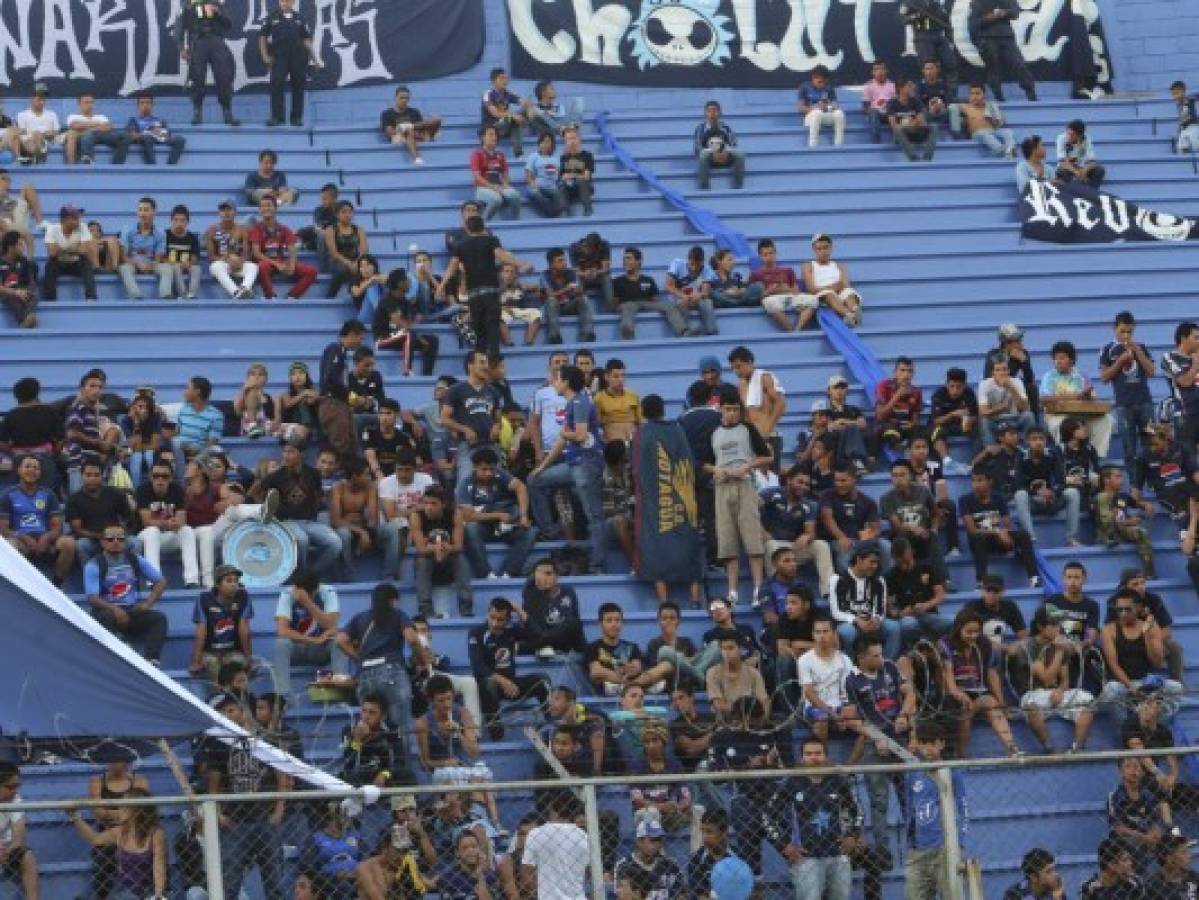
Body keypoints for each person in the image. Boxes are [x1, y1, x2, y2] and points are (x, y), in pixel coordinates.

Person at [529, 364, 606, 574]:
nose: (554, 381)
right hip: (573, 464)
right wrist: (542, 467)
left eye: (558, 378)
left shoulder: (580, 401)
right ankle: (551, 532)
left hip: (585, 465)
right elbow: (563, 441)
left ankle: (597, 565)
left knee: (594, 516)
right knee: (534, 480)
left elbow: (579, 436)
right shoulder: (573, 402)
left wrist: (566, 432)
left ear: (567, 382)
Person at [706, 387, 772, 604]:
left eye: (735, 409)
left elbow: (766, 456)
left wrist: (747, 466)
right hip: (723, 485)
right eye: (728, 409)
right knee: (728, 542)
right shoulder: (713, 431)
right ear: (721, 409)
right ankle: (732, 591)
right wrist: (715, 470)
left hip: (744, 484)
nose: (732, 414)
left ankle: (757, 589)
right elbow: (703, 462)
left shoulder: (747, 429)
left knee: (753, 540)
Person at [440, 217, 534, 358]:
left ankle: (480, 360)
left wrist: (441, 285)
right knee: (492, 329)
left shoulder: (460, 245)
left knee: (479, 332)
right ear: (483, 227)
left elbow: (452, 267)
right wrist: (521, 264)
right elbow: (502, 256)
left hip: (473, 295)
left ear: (467, 229)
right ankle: (494, 361)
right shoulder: (491, 240)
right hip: (490, 292)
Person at [784, 737, 863, 900]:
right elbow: (768, 815)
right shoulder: (792, 783)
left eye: (818, 753)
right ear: (802, 758)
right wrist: (783, 844)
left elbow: (858, 811)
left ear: (826, 756)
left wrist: (852, 835)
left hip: (838, 855)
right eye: (809, 754)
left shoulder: (838, 782)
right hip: (806, 857)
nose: (813, 757)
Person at [941, 607, 1022, 757]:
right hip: (958, 694)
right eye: (968, 632)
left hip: (978, 692)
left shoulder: (984, 644)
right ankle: (961, 756)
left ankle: (1012, 748)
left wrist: (1001, 701)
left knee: (992, 703)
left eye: (976, 631)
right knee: (965, 710)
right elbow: (949, 679)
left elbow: (991, 673)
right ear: (959, 629)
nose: (973, 636)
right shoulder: (946, 644)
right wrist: (959, 694)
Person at [84, 524, 168, 665]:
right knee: (101, 617)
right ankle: (121, 648)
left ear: (126, 542)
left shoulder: (135, 560)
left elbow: (160, 582)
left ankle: (152, 660)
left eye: (120, 539)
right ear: (102, 542)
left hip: (131, 610)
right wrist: (115, 609)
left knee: (159, 618)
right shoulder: (94, 565)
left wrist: (148, 604)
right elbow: (92, 598)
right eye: (110, 539)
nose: (116, 542)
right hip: (107, 611)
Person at [903, 723, 968, 899]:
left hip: (944, 849)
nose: (928, 748)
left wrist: (958, 843)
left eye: (933, 743)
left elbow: (963, 807)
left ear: (942, 744)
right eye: (924, 743)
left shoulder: (953, 771)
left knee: (952, 895)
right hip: (917, 851)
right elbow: (910, 809)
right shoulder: (912, 773)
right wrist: (910, 842)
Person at [1019, 607, 1096, 754]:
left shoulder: (1061, 646)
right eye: (1053, 624)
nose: (1058, 628)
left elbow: (1065, 680)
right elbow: (1046, 679)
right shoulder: (1028, 647)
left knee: (1088, 700)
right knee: (1029, 706)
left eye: (1059, 624)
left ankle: (1077, 747)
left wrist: (1061, 690)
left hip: (1057, 694)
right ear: (1041, 626)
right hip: (1035, 693)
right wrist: (1060, 651)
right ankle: (1049, 747)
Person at [67, 788, 167, 900]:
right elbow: (95, 839)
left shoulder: (156, 833)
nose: (120, 809)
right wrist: (75, 817)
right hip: (123, 890)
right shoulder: (120, 832)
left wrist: (158, 894)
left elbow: (159, 865)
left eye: (124, 806)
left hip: (148, 890)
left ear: (137, 810)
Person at [1099, 587, 1183, 713]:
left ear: (1138, 608)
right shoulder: (1109, 630)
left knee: (1176, 688)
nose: (1123, 613)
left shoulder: (1151, 627)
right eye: (1119, 609)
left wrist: (1147, 636)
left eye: (1128, 609)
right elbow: (1113, 665)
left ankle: (1156, 724)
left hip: (1146, 682)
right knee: (1111, 689)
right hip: (1122, 683)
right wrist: (1131, 687)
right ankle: (1126, 725)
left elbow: (1157, 662)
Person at [458, 446, 536, 579]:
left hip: (506, 526)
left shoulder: (500, 475)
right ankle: (486, 574)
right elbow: (468, 516)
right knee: (470, 529)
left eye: (491, 469)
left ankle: (508, 573)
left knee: (530, 532)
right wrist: (497, 515)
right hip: (484, 527)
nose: (489, 473)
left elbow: (521, 488)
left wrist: (523, 516)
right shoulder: (466, 484)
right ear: (474, 468)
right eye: (484, 469)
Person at [958, 466, 1040, 588]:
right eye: (973, 481)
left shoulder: (998, 498)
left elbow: (1007, 524)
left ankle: (1034, 578)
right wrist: (997, 532)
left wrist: (1005, 534)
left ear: (989, 482)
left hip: (999, 540)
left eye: (980, 480)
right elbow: (972, 530)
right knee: (979, 538)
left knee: (1023, 535)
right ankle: (981, 581)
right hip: (980, 543)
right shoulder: (965, 500)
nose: (976, 484)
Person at [0, 455, 74, 586]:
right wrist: (22, 537)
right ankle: (21, 585)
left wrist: (45, 538)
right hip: (21, 541)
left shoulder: (49, 494)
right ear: (19, 470)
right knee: (11, 545)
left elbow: (57, 528)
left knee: (68, 543)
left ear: (40, 473)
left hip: (46, 541)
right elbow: (3, 529)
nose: (32, 470)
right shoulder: (8, 494)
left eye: (36, 468)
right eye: (27, 466)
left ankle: (56, 585)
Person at [272, 571, 344, 699]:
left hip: (319, 651)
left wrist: (308, 603)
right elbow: (282, 631)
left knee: (338, 641)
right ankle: (282, 697)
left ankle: (340, 688)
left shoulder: (327, 592)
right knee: (281, 643)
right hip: (297, 649)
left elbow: (332, 626)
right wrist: (314, 640)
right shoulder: (288, 593)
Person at [1100, 311, 1156, 470]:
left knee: (1151, 443)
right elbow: (1104, 377)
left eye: (1129, 332)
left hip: (1145, 402)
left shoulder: (1141, 347)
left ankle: (1153, 481)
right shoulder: (1108, 349)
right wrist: (1120, 362)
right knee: (1129, 448)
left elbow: (1151, 372)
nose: (1126, 335)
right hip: (1123, 405)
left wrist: (1138, 352)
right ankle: (1133, 483)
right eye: (1122, 331)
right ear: (1115, 329)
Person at [409, 484, 473, 618]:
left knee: (460, 559)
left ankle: (466, 609)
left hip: (449, 559)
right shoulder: (416, 516)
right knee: (422, 561)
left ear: (443, 504)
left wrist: (446, 548)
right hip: (428, 560)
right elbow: (420, 549)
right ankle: (426, 611)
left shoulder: (454, 513)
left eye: (433, 504)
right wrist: (434, 548)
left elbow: (458, 546)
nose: (428, 508)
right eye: (426, 503)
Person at [1013, 425, 1082, 547]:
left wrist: (1052, 493)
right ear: (1027, 441)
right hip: (1033, 501)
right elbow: (1019, 483)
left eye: (1041, 439)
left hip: (1052, 499)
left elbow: (1061, 480)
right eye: (1034, 439)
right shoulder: (1021, 457)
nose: (1038, 442)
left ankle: (1071, 538)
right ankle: (1030, 538)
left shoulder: (1053, 454)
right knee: (1019, 495)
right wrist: (1037, 493)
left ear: (1045, 440)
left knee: (1072, 493)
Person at [177, 0, 240, 125]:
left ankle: (227, 111)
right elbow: (179, 28)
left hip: (216, 41)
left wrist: (218, 13)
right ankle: (197, 112)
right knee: (197, 77)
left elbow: (228, 25)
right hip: (197, 43)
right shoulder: (188, 6)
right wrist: (181, 48)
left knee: (224, 76)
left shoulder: (216, 4)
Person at [819, 465, 890, 573]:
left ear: (854, 480)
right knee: (844, 562)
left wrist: (867, 536)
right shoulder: (827, 495)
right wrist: (841, 537)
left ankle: (885, 582)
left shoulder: (868, 502)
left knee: (885, 545)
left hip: (859, 541)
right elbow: (827, 518)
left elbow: (875, 529)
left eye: (843, 480)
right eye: (836, 480)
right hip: (836, 540)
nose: (839, 484)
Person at [259, 0, 317, 127]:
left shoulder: (300, 19)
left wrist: (315, 59)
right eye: (282, 1)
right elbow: (262, 37)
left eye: (287, 1)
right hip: (279, 56)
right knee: (277, 82)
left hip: (298, 56)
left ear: (293, 2)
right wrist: (265, 56)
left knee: (298, 85)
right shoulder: (272, 17)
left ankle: (296, 118)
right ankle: (277, 118)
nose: (284, 3)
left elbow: (306, 40)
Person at [249, 194, 318, 299]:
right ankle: (270, 296)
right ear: (259, 210)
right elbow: (257, 253)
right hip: (267, 263)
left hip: (282, 262)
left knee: (311, 271)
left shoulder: (283, 228)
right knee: (262, 266)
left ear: (275, 208)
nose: (266, 208)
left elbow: (292, 249)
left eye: (269, 205)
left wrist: (292, 264)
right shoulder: (256, 229)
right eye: (263, 206)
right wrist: (276, 264)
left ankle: (292, 296)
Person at [522, 795, 590, 900]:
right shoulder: (585, 837)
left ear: (552, 810)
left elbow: (527, 875)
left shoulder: (536, 834)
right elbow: (589, 872)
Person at [798, 616, 853, 741]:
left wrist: (846, 709)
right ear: (813, 635)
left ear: (833, 634)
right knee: (822, 718)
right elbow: (809, 693)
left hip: (840, 705)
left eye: (825, 631)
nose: (821, 636)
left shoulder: (844, 660)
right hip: (814, 707)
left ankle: (854, 760)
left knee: (858, 719)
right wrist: (832, 714)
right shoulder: (804, 660)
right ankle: (825, 757)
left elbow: (849, 690)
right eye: (818, 632)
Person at [969, 0, 1037, 101]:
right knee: (993, 67)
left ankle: (1030, 91)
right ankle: (998, 94)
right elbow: (974, 24)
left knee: (1018, 63)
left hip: (1006, 36)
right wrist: (989, 18)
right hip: (987, 38)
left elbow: (1015, 12)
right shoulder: (977, 2)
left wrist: (1005, 13)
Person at [1096, 466, 1157, 578]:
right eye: (1117, 477)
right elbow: (1106, 521)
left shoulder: (1122, 497)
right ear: (1106, 480)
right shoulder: (1101, 497)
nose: (1122, 480)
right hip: (1108, 533)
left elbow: (1136, 503)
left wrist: (1146, 505)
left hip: (1123, 530)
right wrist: (1129, 522)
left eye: (1122, 477)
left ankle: (1149, 573)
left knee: (1141, 532)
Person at [798, 234, 863, 327]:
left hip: (840, 294)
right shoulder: (808, 266)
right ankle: (849, 315)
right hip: (822, 296)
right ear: (814, 250)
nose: (823, 251)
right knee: (828, 294)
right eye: (819, 249)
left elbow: (845, 285)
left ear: (831, 248)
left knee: (849, 293)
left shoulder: (839, 266)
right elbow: (811, 288)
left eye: (826, 248)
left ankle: (855, 309)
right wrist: (833, 287)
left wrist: (837, 287)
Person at [614, 818, 686, 899]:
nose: (657, 844)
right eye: (652, 840)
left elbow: (682, 895)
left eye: (659, 839)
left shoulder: (671, 865)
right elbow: (624, 897)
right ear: (639, 841)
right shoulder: (624, 866)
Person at [205, 197, 258, 299]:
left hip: (239, 264)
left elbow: (246, 253)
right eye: (223, 210)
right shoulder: (212, 230)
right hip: (223, 264)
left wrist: (240, 261)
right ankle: (236, 292)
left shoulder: (242, 230)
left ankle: (244, 288)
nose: (226, 213)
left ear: (235, 212)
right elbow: (211, 257)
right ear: (219, 213)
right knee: (215, 266)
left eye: (229, 209)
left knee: (253, 267)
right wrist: (227, 260)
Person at [43, 203, 97, 301]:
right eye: (75, 218)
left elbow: (84, 250)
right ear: (64, 220)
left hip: (76, 263)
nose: (78, 221)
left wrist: (61, 248)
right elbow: (52, 253)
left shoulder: (83, 227)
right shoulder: (52, 229)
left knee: (86, 263)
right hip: (59, 263)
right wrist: (75, 248)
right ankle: (50, 300)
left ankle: (91, 297)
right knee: (50, 265)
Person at [380, 85, 442, 165]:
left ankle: (412, 129)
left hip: (417, 134)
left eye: (407, 98)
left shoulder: (414, 112)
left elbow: (422, 125)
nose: (404, 100)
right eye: (401, 98)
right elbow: (389, 132)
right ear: (395, 98)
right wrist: (402, 129)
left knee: (437, 119)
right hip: (401, 136)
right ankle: (417, 158)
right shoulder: (387, 113)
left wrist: (411, 126)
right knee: (409, 131)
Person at [471, 124, 522, 220]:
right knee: (496, 199)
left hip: (499, 186)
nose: (494, 137)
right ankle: (484, 222)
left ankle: (516, 221)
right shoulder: (476, 154)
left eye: (495, 135)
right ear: (483, 138)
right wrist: (492, 186)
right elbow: (477, 177)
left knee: (515, 195)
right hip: (482, 188)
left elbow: (505, 174)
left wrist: (505, 184)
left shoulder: (501, 155)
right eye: (491, 135)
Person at [953, 84, 1016, 157]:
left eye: (977, 93)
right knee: (983, 133)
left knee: (1008, 132)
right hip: (977, 133)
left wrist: (991, 119)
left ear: (984, 95)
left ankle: (1010, 151)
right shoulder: (965, 107)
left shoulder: (991, 106)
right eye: (972, 94)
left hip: (993, 130)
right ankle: (1000, 150)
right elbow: (951, 107)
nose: (974, 96)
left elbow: (1000, 124)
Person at [64, 92, 128, 165]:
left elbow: (108, 127)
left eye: (91, 102)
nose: (89, 105)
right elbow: (75, 126)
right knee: (87, 136)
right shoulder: (73, 116)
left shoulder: (101, 117)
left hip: (101, 136)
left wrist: (88, 127)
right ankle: (88, 164)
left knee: (124, 135)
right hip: (85, 137)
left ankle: (117, 165)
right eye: (86, 102)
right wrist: (97, 124)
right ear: (79, 104)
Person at [481, 66, 531, 157]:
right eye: (501, 78)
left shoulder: (507, 94)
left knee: (522, 116)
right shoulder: (487, 94)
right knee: (512, 119)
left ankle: (518, 153)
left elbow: (522, 101)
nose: (505, 81)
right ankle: (518, 153)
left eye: (506, 78)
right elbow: (495, 114)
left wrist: (527, 105)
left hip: (506, 127)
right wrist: (513, 115)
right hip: (492, 128)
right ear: (493, 81)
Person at [694, 99, 745, 189]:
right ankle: (705, 188)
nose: (712, 114)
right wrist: (713, 152)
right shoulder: (700, 129)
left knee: (740, 154)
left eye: (715, 110)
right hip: (709, 158)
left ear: (720, 113)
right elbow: (697, 149)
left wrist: (723, 151)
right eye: (709, 111)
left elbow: (733, 145)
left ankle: (738, 186)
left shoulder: (726, 128)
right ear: (705, 113)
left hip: (725, 155)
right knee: (703, 155)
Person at [323, 200, 368, 299]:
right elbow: (333, 252)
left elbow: (364, 250)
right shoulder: (331, 229)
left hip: (356, 261)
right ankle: (330, 296)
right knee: (342, 270)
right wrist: (348, 263)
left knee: (368, 269)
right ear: (337, 214)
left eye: (350, 212)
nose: (347, 215)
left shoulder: (359, 230)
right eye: (344, 212)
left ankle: (358, 297)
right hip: (337, 261)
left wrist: (357, 262)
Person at [124, 92, 186, 165]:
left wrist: (154, 132)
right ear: (138, 106)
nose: (145, 105)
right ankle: (152, 166)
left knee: (180, 140)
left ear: (152, 105)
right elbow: (132, 135)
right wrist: (150, 132)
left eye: (148, 103)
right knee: (147, 138)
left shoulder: (159, 120)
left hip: (159, 137)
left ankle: (170, 166)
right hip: (146, 140)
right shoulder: (133, 120)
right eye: (142, 103)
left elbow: (167, 134)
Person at [888, 78, 938, 162]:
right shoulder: (892, 103)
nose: (912, 88)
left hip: (915, 131)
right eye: (909, 86)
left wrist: (913, 122)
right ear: (901, 88)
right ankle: (913, 157)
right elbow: (893, 124)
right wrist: (908, 123)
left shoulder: (916, 101)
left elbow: (922, 123)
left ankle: (927, 157)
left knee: (934, 126)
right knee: (897, 129)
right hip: (901, 135)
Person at [798, 66, 846, 146]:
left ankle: (839, 145)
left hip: (826, 114)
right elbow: (800, 108)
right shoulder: (805, 87)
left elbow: (835, 105)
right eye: (819, 81)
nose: (822, 84)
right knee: (817, 113)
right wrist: (815, 107)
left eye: (824, 82)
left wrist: (830, 105)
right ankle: (813, 146)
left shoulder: (829, 88)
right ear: (813, 78)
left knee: (839, 113)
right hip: (810, 117)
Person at [164, 204, 202, 299]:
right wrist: (175, 263)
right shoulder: (165, 235)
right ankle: (183, 294)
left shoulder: (192, 237)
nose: (179, 223)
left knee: (196, 269)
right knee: (175, 267)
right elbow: (160, 257)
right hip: (171, 265)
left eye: (182, 220)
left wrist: (188, 263)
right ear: (171, 221)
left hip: (186, 265)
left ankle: (192, 294)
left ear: (187, 222)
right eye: (176, 220)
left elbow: (195, 258)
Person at [15, 84, 59, 163]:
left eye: (44, 98)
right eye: (39, 98)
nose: (42, 101)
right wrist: (34, 135)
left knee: (38, 135)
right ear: (32, 98)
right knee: (33, 136)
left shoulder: (52, 114)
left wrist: (45, 134)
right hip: (28, 142)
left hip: (46, 141)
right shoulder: (22, 114)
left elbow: (56, 131)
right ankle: (36, 157)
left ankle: (36, 157)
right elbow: (22, 132)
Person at [1055, 119, 1105, 188]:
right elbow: (1062, 162)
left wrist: (1084, 170)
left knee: (1100, 170)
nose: (1069, 136)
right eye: (1068, 133)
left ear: (1079, 135)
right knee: (1061, 172)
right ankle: (1072, 192)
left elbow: (1092, 161)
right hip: (1069, 169)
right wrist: (1076, 172)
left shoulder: (1086, 139)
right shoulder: (1061, 138)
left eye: (1072, 135)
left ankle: (1091, 192)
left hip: (1082, 168)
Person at [524, 131, 563, 217]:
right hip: (537, 186)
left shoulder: (556, 159)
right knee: (535, 193)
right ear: (539, 143)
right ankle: (551, 214)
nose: (545, 144)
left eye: (548, 141)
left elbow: (559, 176)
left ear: (552, 144)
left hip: (552, 188)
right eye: (543, 141)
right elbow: (527, 176)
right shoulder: (533, 156)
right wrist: (532, 184)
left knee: (559, 194)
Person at [1148, 833, 1199, 897]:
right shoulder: (1156, 888)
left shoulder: (1191, 875)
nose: (1189, 855)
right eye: (1184, 852)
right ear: (1170, 858)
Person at [558, 125, 594, 216]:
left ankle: (588, 209)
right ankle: (564, 212)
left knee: (582, 181)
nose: (572, 141)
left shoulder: (587, 155)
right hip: (570, 187)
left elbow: (586, 176)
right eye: (569, 139)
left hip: (585, 186)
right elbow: (562, 177)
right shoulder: (563, 158)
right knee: (562, 186)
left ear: (579, 139)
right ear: (565, 142)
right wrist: (571, 176)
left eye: (574, 138)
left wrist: (572, 176)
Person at [862, 61, 897, 142]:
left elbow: (897, 102)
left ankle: (897, 141)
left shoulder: (893, 85)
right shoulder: (868, 85)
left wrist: (889, 108)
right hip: (876, 113)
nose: (879, 72)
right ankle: (876, 143)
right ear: (872, 72)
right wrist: (871, 110)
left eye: (882, 69)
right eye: (876, 69)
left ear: (886, 71)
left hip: (889, 113)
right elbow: (865, 106)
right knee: (873, 113)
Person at [1172, 80, 1199, 154]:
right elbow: (1181, 119)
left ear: (1183, 92)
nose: (1175, 96)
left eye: (1177, 93)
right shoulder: (1179, 105)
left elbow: (1196, 96)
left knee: (1187, 144)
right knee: (1180, 148)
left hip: (1193, 127)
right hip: (1184, 129)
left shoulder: (1189, 99)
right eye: (1173, 94)